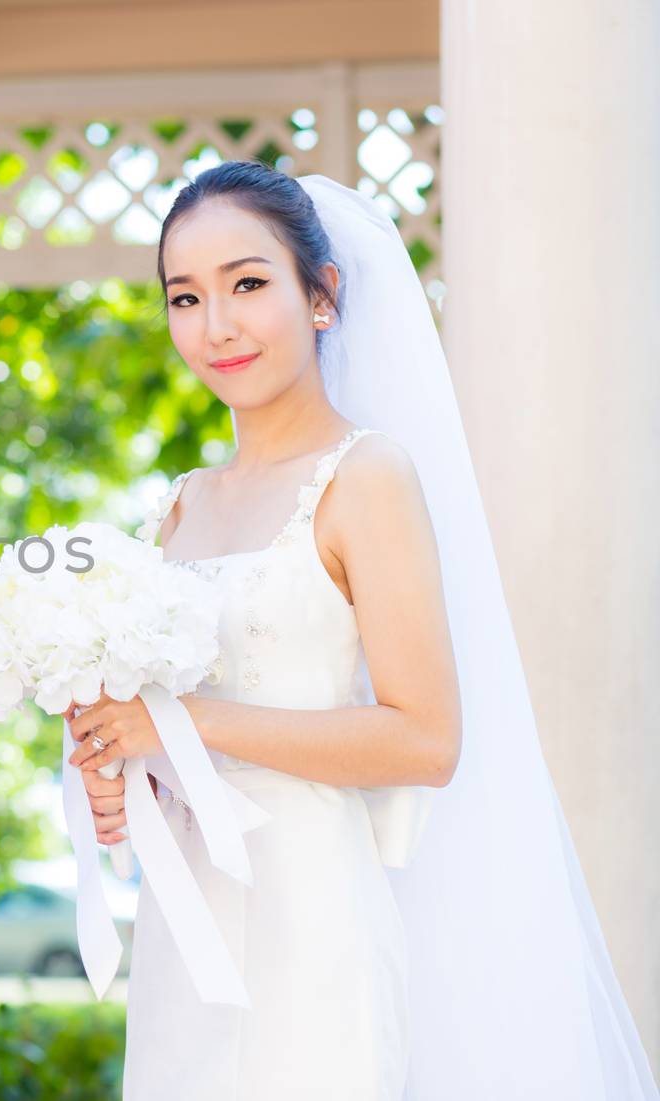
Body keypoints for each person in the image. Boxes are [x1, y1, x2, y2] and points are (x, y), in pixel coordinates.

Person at [64, 161, 658, 1099]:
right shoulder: (179, 508)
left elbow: (425, 739)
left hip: (313, 927)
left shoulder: (366, 476)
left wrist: (184, 724)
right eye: (186, 296)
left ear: (323, 295)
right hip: (191, 938)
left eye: (248, 284)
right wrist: (121, 776)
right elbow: (171, 757)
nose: (215, 324)